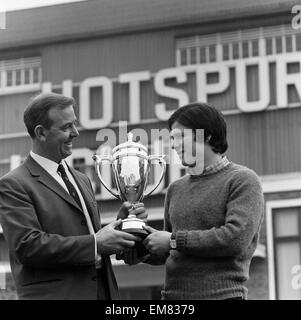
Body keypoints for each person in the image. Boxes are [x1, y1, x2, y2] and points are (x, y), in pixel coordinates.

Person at [0, 93, 146, 300]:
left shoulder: (81, 179)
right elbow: (28, 247)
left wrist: (121, 224)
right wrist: (96, 243)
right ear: (41, 133)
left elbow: (88, 236)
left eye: (74, 124)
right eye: (66, 127)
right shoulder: (14, 184)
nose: (75, 133)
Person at [123, 102, 264, 300]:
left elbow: (235, 239)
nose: (173, 144)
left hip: (222, 297)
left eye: (180, 136)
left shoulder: (243, 180)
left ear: (206, 135)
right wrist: (138, 245)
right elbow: (172, 252)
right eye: (172, 138)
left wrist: (172, 241)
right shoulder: (175, 188)